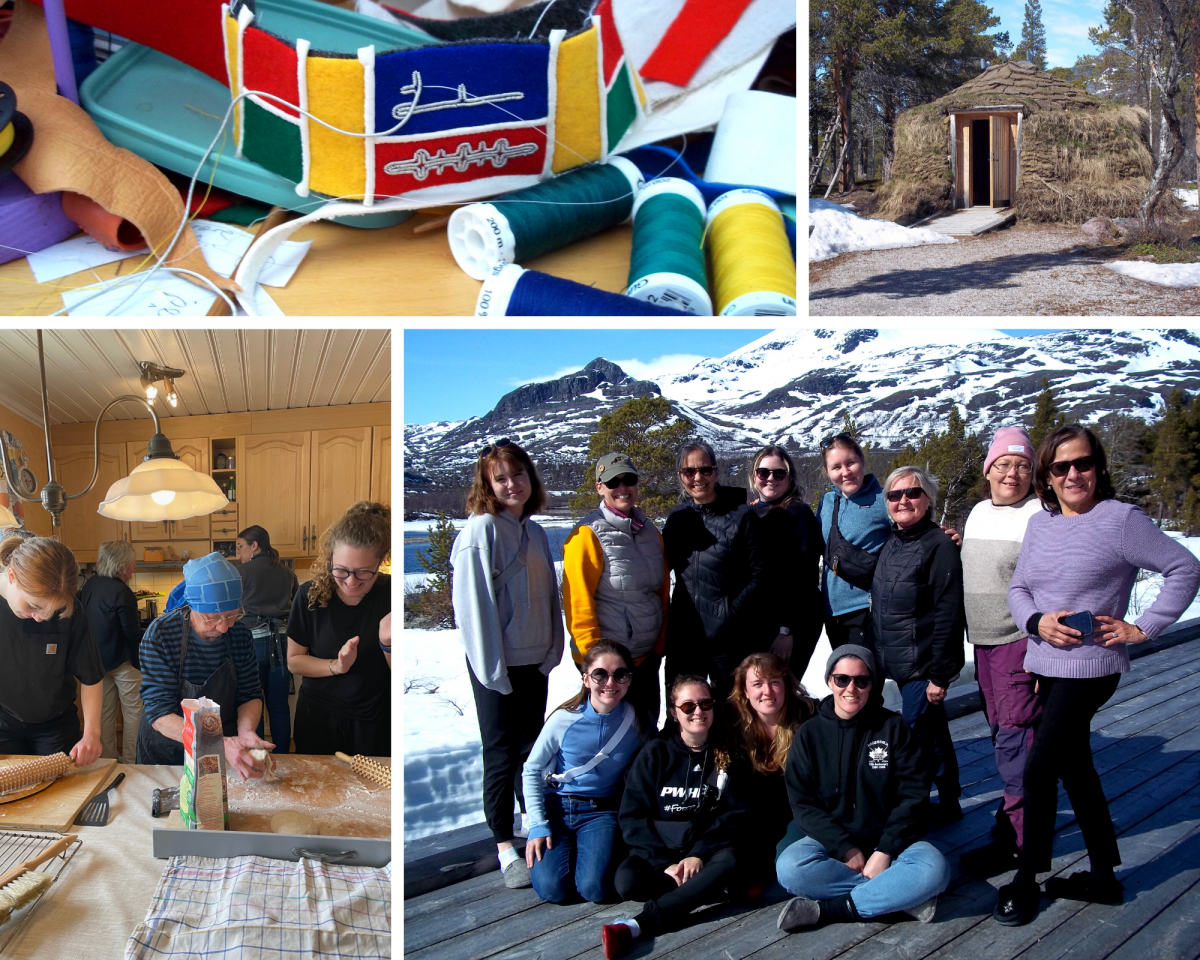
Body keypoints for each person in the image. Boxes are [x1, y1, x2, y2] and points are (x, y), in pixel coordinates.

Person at [994, 424, 1200, 926]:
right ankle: (1104, 876)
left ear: (1099, 467)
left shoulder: (1121, 520)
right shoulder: (1041, 524)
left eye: (1082, 463)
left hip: (1091, 668)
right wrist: (1035, 621)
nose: (1072, 474)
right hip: (1047, 664)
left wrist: (1144, 627)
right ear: (1047, 475)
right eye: (1060, 467)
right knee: (1074, 765)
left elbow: (1185, 568)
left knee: (1039, 769)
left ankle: (1026, 879)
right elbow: (1020, 586)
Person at [451, 439, 564, 889]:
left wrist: (551, 652)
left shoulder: (534, 532)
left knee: (531, 750)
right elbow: (472, 609)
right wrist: (491, 671)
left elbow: (549, 596)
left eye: (518, 475)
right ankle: (503, 845)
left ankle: (534, 823)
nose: (512, 484)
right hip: (497, 665)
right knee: (500, 753)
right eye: (501, 478)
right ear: (488, 485)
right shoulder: (481, 532)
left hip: (533, 661)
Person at [776, 646, 949, 931]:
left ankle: (830, 911)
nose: (851, 688)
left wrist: (885, 850)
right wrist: (845, 848)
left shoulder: (893, 727)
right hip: (835, 845)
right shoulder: (809, 735)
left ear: (872, 684)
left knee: (935, 870)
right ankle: (900, 896)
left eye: (862, 680)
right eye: (842, 679)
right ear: (830, 681)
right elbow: (804, 802)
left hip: (893, 842)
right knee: (790, 867)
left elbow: (913, 795)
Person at [601, 675, 743, 959]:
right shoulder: (656, 753)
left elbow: (734, 814)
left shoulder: (728, 754)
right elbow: (632, 815)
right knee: (626, 882)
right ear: (674, 713)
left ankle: (636, 926)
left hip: (706, 851)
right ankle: (706, 888)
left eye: (705, 704)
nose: (698, 712)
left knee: (729, 861)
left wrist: (699, 855)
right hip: (661, 852)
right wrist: (664, 864)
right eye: (688, 706)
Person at [958, 427, 1044, 875]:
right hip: (984, 644)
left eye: (1023, 465)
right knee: (1001, 735)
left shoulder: (1040, 514)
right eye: (1004, 464)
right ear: (988, 469)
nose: (1013, 473)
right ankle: (1014, 822)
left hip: (1018, 642)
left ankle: (1020, 842)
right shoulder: (977, 512)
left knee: (1016, 739)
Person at [871, 465, 966, 822]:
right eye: (895, 495)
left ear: (928, 499)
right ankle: (950, 797)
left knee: (913, 737)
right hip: (895, 658)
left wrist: (940, 676)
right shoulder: (892, 541)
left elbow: (949, 613)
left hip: (923, 666)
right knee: (931, 731)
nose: (904, 500)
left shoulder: (939, 545)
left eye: (912, 493)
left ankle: (913, 807)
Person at [522, 640, 647, 904]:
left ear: (629, 679)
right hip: (556, 808)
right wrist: (537, 824)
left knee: (595, 890)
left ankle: (590, 852)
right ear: (586, 679)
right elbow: (531, 770)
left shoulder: (636, 721)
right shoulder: (563, 719)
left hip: (600, 811)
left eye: (619, 674)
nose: (610, 683)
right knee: (552, 890)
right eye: (600, 674)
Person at [136, 552, 271, 779]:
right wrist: (217, 742)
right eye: (213, 618)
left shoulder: (240, 635)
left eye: (231, 616)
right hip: (167, 754)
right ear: (192, 606)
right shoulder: (160, 634)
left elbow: (249, 694)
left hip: (221, 751)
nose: (224, 627)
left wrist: (246, 732)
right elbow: (160, 714)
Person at [562, 454, 668, 726]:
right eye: (612, 481)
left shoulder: (650, 533)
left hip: (646, 661)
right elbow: (578, 606)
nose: (622, 487)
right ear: (599, 487)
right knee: (611, 744)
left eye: (628, 479)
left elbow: (660, 592)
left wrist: (659, 645)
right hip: (610, 671)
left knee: (645, 734)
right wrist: (596, 664)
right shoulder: (586, 536)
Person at [662, 440, 767, 700]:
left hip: (730, 640)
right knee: (684, 713)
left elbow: (760, 578)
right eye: (689, 472)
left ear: (716, 472)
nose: (698, 478)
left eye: (705, 470)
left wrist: (728, 616)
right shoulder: (676, 519)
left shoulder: (742, 517)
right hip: (685, 637)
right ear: (681, 476)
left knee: (734, 714)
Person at [287, 502, 391, 758]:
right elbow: (294, 661)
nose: (351, 582)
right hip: (317, 718)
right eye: (341, 571)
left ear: (381, 561)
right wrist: (336, 666)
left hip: (375, 722)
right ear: (330, 558)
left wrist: (388, 644)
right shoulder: (309, 595)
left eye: (364, 573)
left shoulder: (392, 595)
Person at [0, 536, 103, 766]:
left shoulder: (70, 609)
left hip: (56, 727)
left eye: (52, 612)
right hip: (3, 724)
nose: (40, 618)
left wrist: (91, 735)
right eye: (33, 606)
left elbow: (90, 676)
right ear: (11, 576)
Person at [725, 652, 817, 886]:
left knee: (787, 864)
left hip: (801, 817)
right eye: (757, 684)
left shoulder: (809, 719)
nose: (767, 691)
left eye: (774, 682)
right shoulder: (734, 730)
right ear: (745, 691)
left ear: (785, 685)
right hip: (758, 822)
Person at [748, 445, 824, 680]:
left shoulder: (797, 513)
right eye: (764, 473)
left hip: (792, 623)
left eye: (779, 473)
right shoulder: (749, 513)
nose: (771, 479)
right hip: (757, 620)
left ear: (790, 478)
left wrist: (786, 629)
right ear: (754, 476)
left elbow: (803, 576)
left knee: (780, 691)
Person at [814, 434, 889, 651]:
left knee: (864, 678)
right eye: (836, 467)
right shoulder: (827, 502)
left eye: (850, 463)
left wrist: (945, 537)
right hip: (832, 611)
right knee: (844, 680)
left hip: (867, 608)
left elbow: (913, 534)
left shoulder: (883, 499)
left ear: (862, 461)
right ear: (827, 472)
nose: (845, 472)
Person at [78, 539, 144, 763]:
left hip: (97, 663)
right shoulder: (122, 591)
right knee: (134, 713)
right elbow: (132, 633)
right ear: (121, 566)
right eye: (132, 563)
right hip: (123, 663)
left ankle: (106, 762)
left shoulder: (89, 585)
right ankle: (132, 761)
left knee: (103, 716)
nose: (134, 568)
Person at [237, 525, 298, 753]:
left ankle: (260, 758)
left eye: (240, 547)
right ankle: (284, 759)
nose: (239, 553)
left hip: (251, 645)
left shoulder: (241, 573)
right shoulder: (287, 573)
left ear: (254, 546)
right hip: (282, 645)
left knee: (254, 706)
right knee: (279, 707)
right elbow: (296, 606)